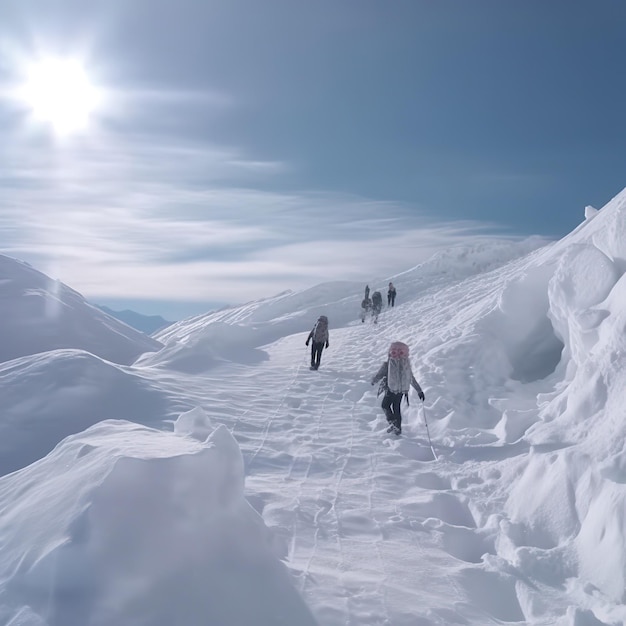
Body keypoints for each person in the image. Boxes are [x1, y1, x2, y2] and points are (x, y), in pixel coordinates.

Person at [371, 341, 424, 435]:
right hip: (401, 391)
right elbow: (411, 379)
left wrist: (374, 381)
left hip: (391, 390)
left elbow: (380, 374)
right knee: (396, 408)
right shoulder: (406, 365)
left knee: (385, 405)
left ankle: (393, 422)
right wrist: (419, 391)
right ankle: (398, 430)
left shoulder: (387, 364)